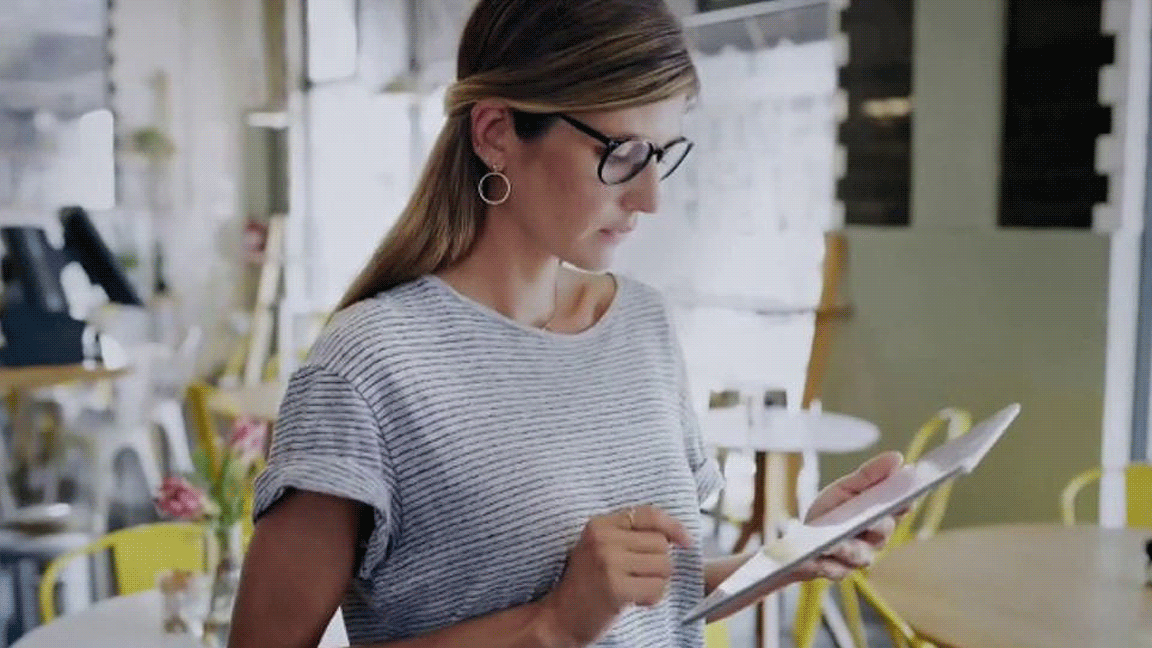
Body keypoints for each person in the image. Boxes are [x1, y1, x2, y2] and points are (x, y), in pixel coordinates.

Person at [228, 1, 903, 647]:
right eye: (622, 153)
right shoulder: (368, 368)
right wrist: (551, 625)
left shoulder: (642, 324)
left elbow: (657, 602)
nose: (649, 197)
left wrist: (792, 553)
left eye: (661, 154)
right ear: (495, 133)